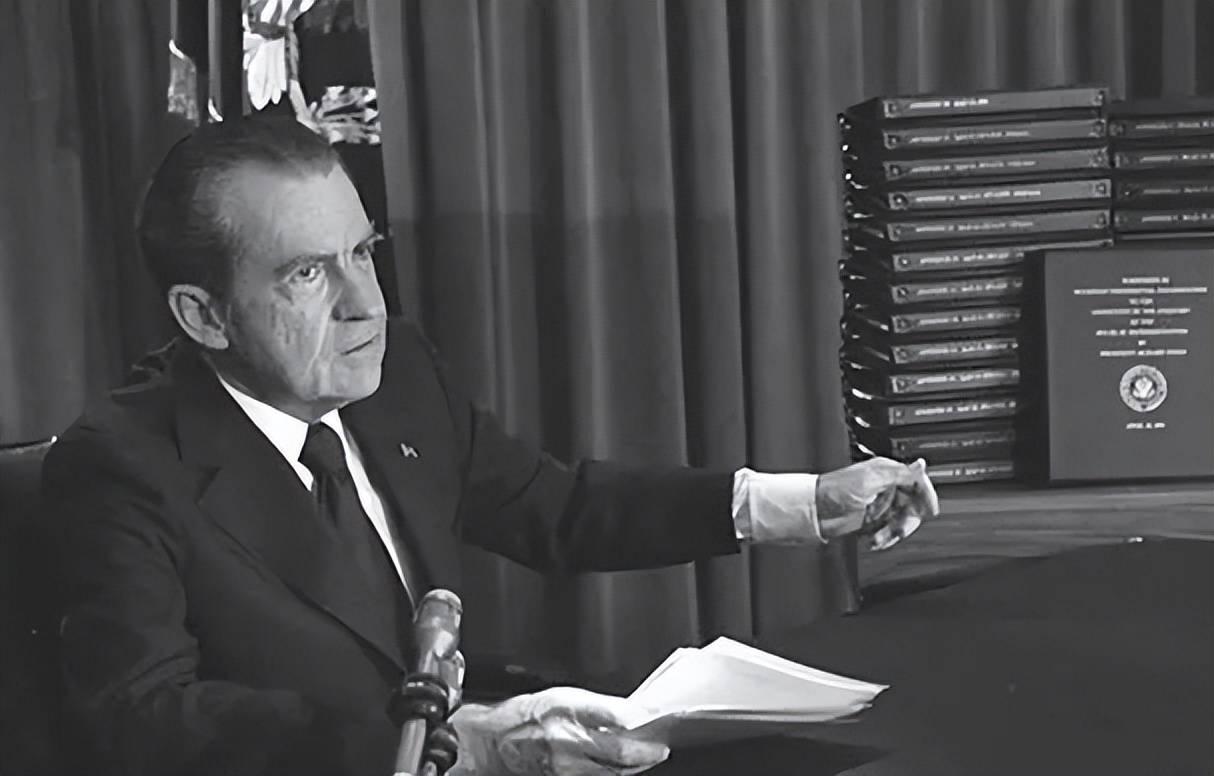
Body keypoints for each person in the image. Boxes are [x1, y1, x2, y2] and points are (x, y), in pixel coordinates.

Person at [43, 116, 938, 776]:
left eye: (364, 253)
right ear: (203, 316)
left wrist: (806, 503)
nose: (365, 305)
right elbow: (146, 722)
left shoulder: (397, 374)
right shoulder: (120, 466)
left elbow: (557, 508)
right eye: (308, 274)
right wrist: (457, 750)